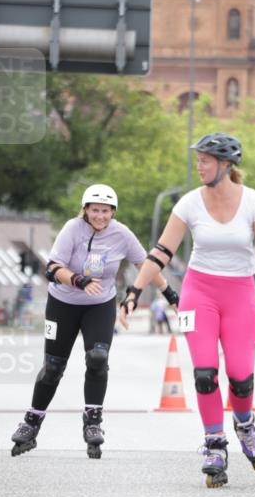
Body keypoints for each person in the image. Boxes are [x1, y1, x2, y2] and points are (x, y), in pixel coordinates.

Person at [118, 133, 255, 487]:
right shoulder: (189, 203)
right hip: (198, 293)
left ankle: (245, 423)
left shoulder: (253, 202)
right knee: (205, 374)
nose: (198, 166)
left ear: (225, 165)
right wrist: (134, 292)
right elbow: (160, 253)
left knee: (241, 377)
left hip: (240, 294)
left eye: (205, 161)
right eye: (198, 160)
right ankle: (214, 444)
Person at [11, 184, 178, 458]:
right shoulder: (72, 229)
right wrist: (80, 280)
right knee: (53, 367)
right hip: (62, 304)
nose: (100, 216)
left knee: (98, 358)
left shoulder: (122, 234)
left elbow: (147, 265)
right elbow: (52, 268)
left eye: (105, 211)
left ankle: (93, 423)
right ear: (86, 210)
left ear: (113, 212)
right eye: (95, 210)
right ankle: (31, 424)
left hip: (99, 305)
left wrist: (171, 295)